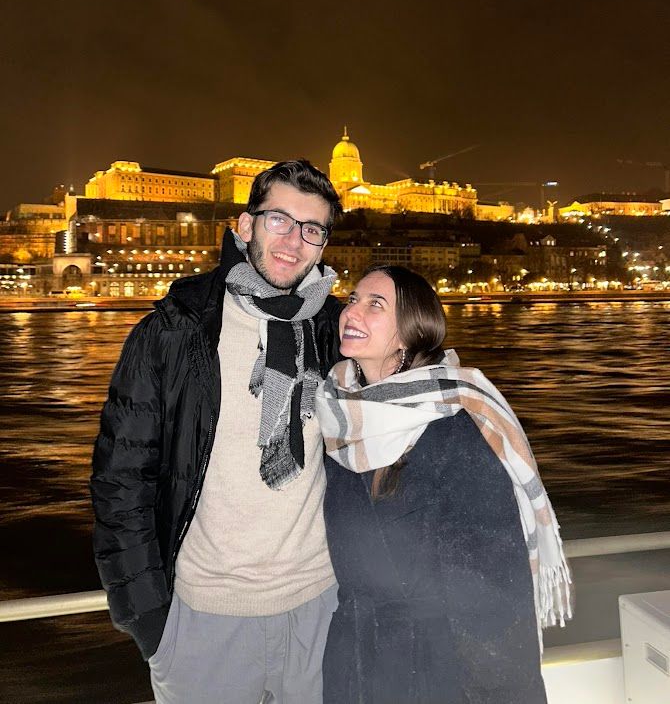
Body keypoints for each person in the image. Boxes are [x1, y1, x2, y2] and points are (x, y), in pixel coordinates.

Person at [91, 159, 344, 704]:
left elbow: (409, 391)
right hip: (203, 621)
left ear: (323, 243)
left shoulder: (335, 328)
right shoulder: (173, 332)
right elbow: (121, 485)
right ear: (244, 225)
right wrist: (152, 625)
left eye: (312, 229)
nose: (293, 242)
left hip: (322, 610)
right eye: (278, 220)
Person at [315, 265, 571, 704]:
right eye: (353, 299)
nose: (352, 311)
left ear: (410, 332)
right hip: (352, 662)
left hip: (437, 670)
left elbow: (492, 591)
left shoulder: (456, 429)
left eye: (376, 304)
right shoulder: (339, 418)